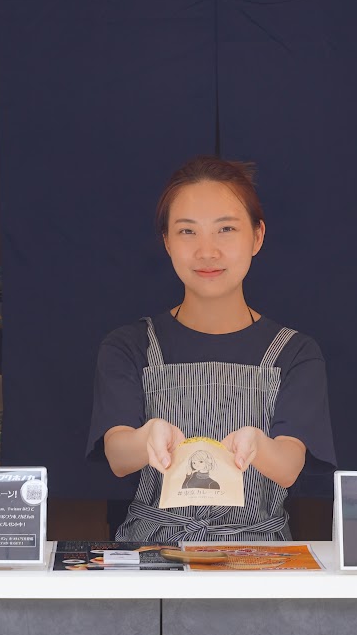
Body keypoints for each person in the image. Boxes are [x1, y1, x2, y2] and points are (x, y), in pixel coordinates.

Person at [89, 155, 336, 544]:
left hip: (258, 552)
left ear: (257, 237)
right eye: (188, 232)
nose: (207, 251)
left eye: (226, 229)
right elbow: (119, 457)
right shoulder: (129, 345)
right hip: (154, 548)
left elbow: (289, 466)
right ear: (166, 241)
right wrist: (147, 436)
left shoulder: (294, 352)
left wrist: (256, 444)